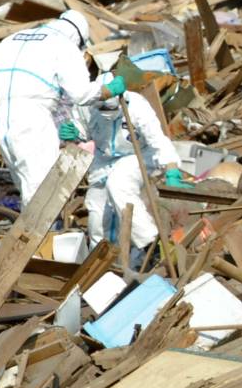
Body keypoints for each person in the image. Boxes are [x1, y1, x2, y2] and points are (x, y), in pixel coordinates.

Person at [0, 10, 121, 203]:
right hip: (34, 119)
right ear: (79, 38)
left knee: (27, 186)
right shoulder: (65, 46)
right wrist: (108, 90)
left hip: (4, 121)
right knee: (44, 193)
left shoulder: (13, 39)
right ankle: (45, 233)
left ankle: (30, 231)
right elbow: (81, 93)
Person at [75, 76, 185, 268]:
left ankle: (152, 244)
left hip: (138, 154)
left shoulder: (137, 106)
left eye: (110, 109)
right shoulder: (86, 106)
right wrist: (73, 132)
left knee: (119, 183)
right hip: (104, 159)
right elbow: (83, 130)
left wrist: (171, 168)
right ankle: (104, 270)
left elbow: (157, 139)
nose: (106, 113)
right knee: (97, 216)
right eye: (102, 108)